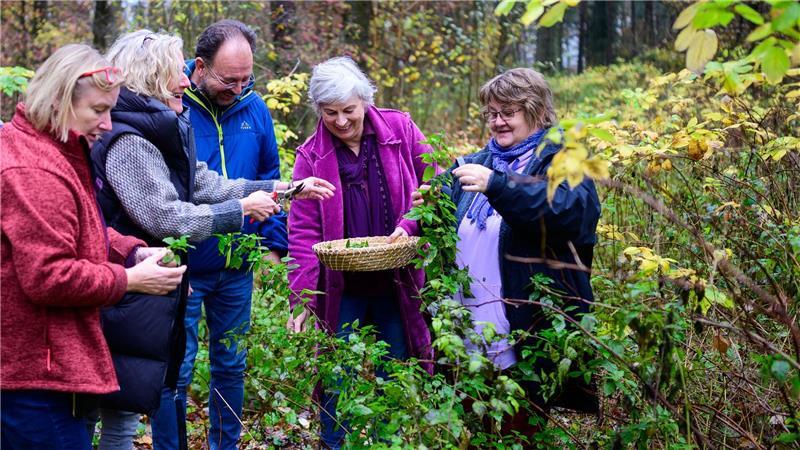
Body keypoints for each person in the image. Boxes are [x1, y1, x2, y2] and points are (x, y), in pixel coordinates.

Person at [89, 30, 334, 450]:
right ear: (150, 77)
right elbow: (164, 215)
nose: (183, 79)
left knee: (137, 402)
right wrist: (239, 212)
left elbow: (205, 183)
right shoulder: (130, 140)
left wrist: (286, 189)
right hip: (135, 281)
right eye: (174, 71)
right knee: (142, 393)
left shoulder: (163, 126)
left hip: (175, 277)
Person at [0, 43, 185, 450]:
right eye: (98, 110)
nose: (107, 122)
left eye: (111, 109)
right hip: (31, 372)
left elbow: (81, 228)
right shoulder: (34, 169)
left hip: (42, 365)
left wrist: (130, 251)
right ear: (60, 100)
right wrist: (129, 279)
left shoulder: (58, 148)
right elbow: (49, 276)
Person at [148, 20, 304, 450]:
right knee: (175, 368)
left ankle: (225, 445)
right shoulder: (172, 103)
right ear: (199, 66)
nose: (237, 88)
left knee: (231, 364)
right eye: (227, 79)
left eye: (245, 78)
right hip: (182, 266)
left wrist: (272, 245)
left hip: (236, 266)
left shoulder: (254, 108)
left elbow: (268, 176)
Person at [286, 56, 435, 449]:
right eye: (330, 112)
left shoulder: (399, 129)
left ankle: (392, 442)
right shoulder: (310, 156)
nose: (340, 121)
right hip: (343, 285)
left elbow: (435, 184)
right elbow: (302, 232)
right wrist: (300, 298)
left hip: (396, 279)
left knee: (396, 368)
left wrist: (409, 226)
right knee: (338, 372)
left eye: (349, 110)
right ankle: (334, 443)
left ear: (365, 101)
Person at [446, 68, 601, 433]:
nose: (497, 122)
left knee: (518, 431)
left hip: (523, 332)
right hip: (467, 331)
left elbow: (567, 213)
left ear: (536, 112)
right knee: (476, 429)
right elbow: (440, 205)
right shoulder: (482, 160)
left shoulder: (565, 159)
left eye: (508, 113)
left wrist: (498, 186)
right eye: (491, 113)